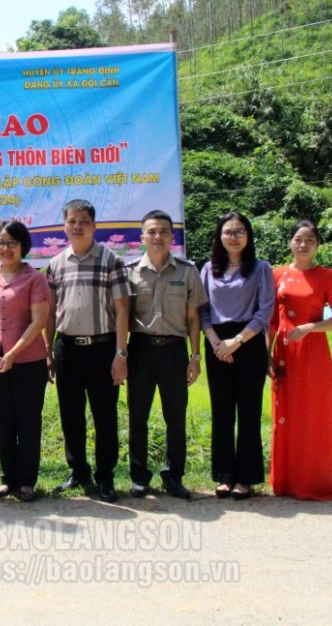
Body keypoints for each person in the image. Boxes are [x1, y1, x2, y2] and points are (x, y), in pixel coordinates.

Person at [46, 199, 130, 503]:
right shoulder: (55, 264)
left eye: (83, 221)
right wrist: (47, 348)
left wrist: (121, 354)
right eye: (72, 221)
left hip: (103, 348)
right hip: (67, 347)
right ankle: (79, 471)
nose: (77, 226)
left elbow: (122, 310)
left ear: (94, 226)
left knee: (105, 415)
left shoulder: (111, 260)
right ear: (64, 226)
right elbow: (49, 311)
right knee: (70, 414)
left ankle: (105, 476)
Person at [125, 211, 207, 500]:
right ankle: (139, 477)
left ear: (173, 237)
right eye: (152, 231)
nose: (158, 236)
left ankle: (174, 477)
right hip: (140, 350)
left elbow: (194, 317)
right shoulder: (130, 271)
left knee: (176, 416)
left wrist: (195, 357)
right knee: (138, 415)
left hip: (174, 350)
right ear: (142, 237)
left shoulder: (187, 271)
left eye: (163, 231)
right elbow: (122, 316)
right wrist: (121, 354)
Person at [268, 220, 332, 501]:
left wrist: (310, 327)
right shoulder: (277, 274)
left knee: (313, 415)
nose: (303, 245)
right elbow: (272, 320)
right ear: (290, 242)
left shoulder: (327, 276)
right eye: (298, 239)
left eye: (310, 240)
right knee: (285, 415)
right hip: (285, 353)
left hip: (313, 354)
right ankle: (285, 481)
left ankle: (314, 481)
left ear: (317, 245)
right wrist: (268, 352)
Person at [199, 211, 274, 500]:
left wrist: (237, 342)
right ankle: (224, 476)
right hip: (216, 343)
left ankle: (246, 477)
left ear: (248, 235)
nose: (233, 236)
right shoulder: (208, 269)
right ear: (220, 236)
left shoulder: (260, 268)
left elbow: (265, 311)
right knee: (222, 411)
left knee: (249, 412)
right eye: (228, 231)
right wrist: (218, 342)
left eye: (239, 231)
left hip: (249, 343)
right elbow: (202, 311)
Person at [0, 221, 51, 502]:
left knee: (28, 422)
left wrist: (13, 354)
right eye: (0, 242)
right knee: (3, 422)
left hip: (29, 363)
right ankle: (8, 478)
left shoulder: (36, 278)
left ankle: (26, 482)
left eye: (11, 242)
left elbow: (39, 322)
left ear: (23, 246)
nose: (5, 248)